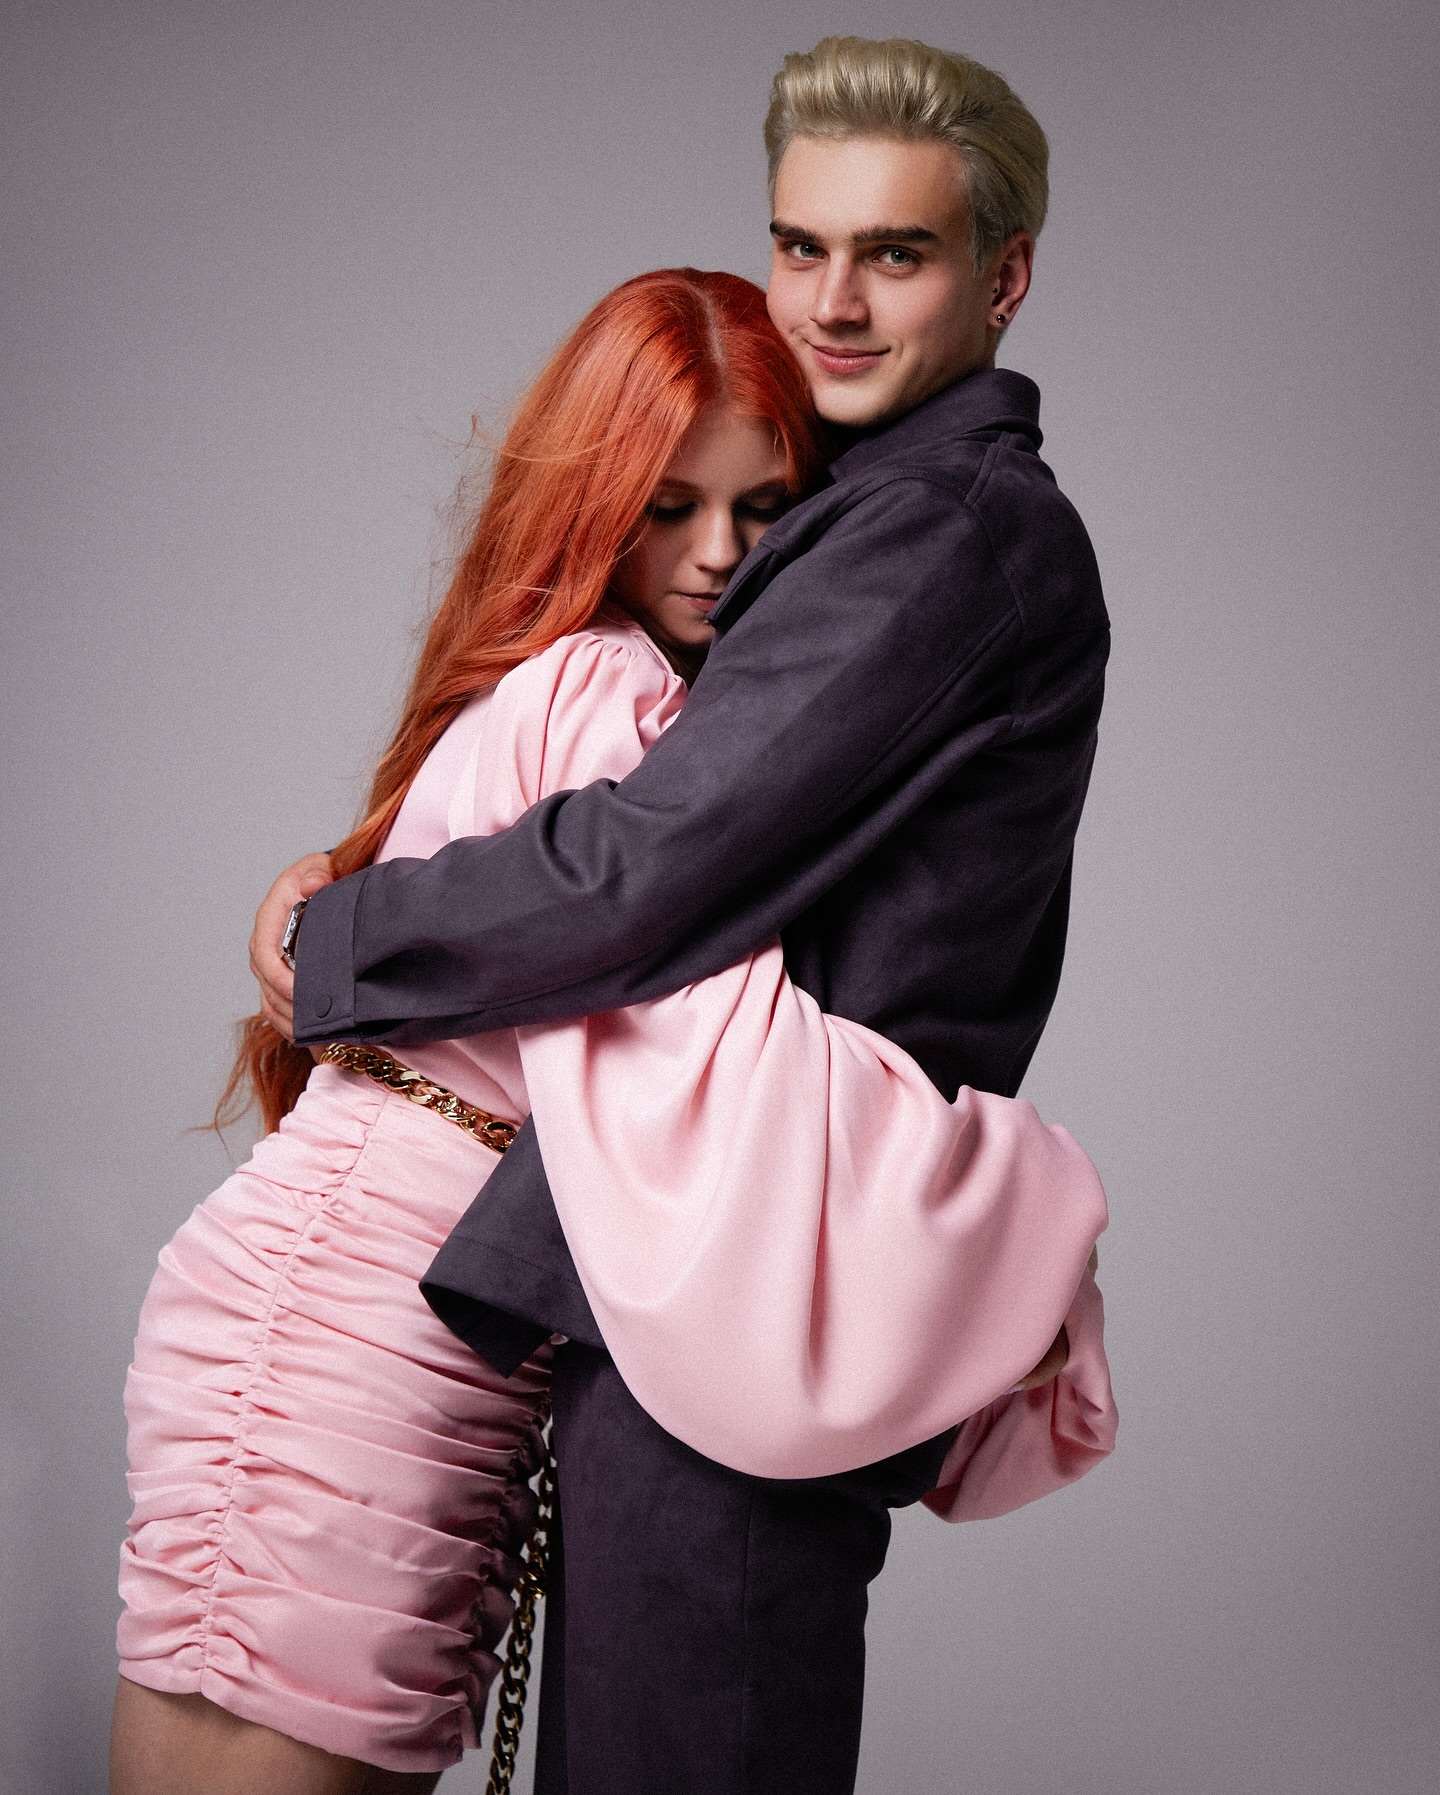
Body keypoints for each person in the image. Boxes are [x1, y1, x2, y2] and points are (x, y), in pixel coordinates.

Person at [111, 264, 1112, 1795]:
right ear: (595, 502)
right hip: (352, 1330)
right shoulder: (614, 694)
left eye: (764, 507)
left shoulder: (620, 699)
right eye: (666, 507)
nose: (716, 554)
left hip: (396, 1322)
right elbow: (728, 1057)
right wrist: (1007, 1239)